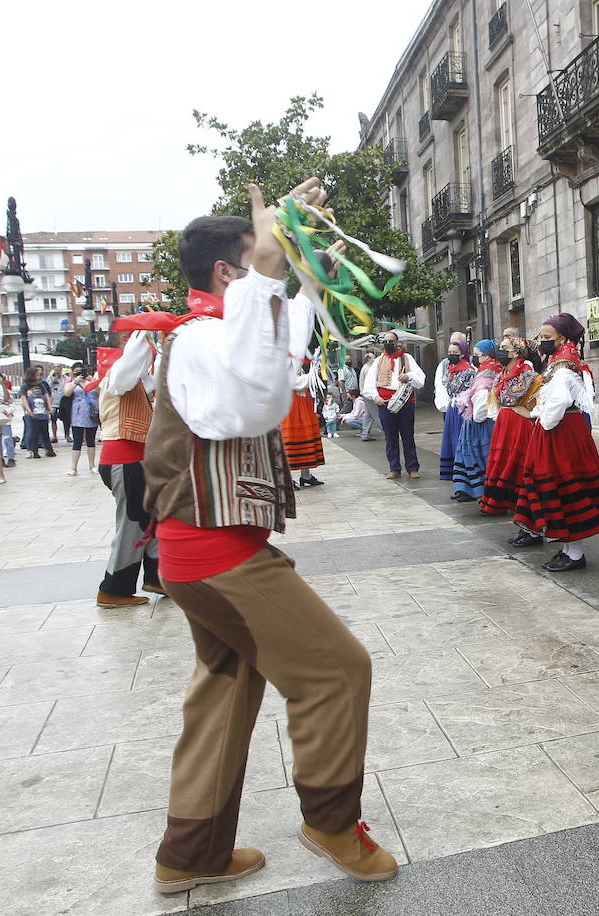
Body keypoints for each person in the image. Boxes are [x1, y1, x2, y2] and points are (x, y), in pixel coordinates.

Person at [145, 180, 396, 893]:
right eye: (258, 260)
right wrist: (267, 275)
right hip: (216, 555)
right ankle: (331, 824)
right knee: (337, 670)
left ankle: (188, 855)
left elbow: (282, 357)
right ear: (229, 272)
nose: (273, 269)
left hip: (207, 554)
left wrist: (295, 248)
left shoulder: (222, 330)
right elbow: (252, 407)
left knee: (223, 694)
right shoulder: (198, 339)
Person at [513, 313, 599, 571]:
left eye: (547, 337)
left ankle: (575, 553)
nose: (543, 342)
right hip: (562, 430)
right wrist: (538, 415)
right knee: (561, 490)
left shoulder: (563, 366)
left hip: (560, 433)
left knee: (566, 489)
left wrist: (543, 423)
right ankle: (569, 550)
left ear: (562, 338)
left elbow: (558, 402)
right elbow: (549, 400)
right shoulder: (560, 361)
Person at [96, 330, 163, 609]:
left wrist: (162, 345)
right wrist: (141, 337)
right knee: (132, 525)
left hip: (136, 458)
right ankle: (114, 589)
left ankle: (158, 577)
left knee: (153, 518)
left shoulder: (129, 375)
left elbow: (154, 380)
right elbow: (129, 371)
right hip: (123, 459)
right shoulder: (115, 371)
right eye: (134, 340)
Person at [479, 335, 542, 517]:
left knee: (517, 463)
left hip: (519, 424)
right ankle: (497, 502)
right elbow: (495, 401)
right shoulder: (501, 375)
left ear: (515, 352)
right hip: (504, 423)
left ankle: (519, 504)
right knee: (500, 461)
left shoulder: (528, 375)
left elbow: (540, 397)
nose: (500, 351)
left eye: (505, 348)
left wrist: (531, 413)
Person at [361, 330, 425, 479]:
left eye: (391, 341)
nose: (388, 344)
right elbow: (369, 383)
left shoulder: (407, 358)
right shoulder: (378, 361)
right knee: (390, 437)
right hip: (385, 403)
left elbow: (421, 378)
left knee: (408, 435)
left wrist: (408, 376)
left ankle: (413, 468)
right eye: (385, 341)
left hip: (405, 402)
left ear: (397, 343)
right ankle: (394, 468)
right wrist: (375, 396)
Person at [451, 339, 500, 503]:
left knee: (478, 455)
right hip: (477, 421)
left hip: (480, 424)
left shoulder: (486, 376)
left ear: (486, 356)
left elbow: (481, 407)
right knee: (472, 456)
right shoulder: (489, 371)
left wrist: (474, 416)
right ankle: (467, 489)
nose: (475, 358)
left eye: (477, 355)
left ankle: (482, 493)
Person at [434, 336, 475, 481]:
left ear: (462, 354)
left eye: (455, 352)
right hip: (452, 408)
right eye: (449, 352)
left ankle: (463, 474)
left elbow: (459, 389)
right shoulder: (450, 369)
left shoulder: (468, 371)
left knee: (460, 439)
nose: (451, 355)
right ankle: (452, 472)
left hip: (462, 409)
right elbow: (445, 385)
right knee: (450, 439)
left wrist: (450, 378)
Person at [283, 363, 326, 489]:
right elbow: (295, 382)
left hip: (302, 404)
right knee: (290, 440)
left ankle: (305, 476)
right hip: (291, 407)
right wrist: (313, 374)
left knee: (305, 439)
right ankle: (287, 478)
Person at [65, 367, 100, 476]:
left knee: (91, 440)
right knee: (77, 440)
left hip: (91, 413)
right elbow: (66, 393)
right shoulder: (72, 383)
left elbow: (100, 391)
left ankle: (92, 465)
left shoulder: (91, 382)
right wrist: (75, 382)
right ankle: (73, 467)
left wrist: (92, 381)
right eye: (77, 372)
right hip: (78, 414)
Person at [21, 367, 55, 459]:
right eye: (36, 373)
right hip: (31, 411)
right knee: (32, 432)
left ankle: (48, 449)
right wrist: (28, 410)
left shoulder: (41, 384)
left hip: (42, 411)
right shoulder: (25, 385)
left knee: (45, 432)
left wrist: (49, 407)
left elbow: (47, 395)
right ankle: (32, 450)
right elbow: (23, 398)